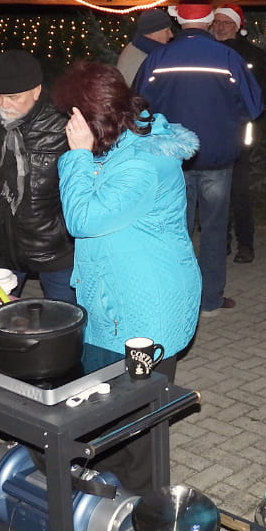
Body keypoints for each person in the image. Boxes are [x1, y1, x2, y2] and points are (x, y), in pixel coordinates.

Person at [51, 60, 200, 493]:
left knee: (139, 424)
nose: (66, 127)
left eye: (70, 117)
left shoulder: (144, 163)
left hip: (146, 309)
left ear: (91, 117)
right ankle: (110, 498)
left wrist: (78, 155)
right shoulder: (125, 139)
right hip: (118, 300)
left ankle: (144, 510)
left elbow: (83, 218)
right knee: (114, 412)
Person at [134, 0, 263, 314]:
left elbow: (137, 108)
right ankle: (210, 299)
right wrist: (226, 119)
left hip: (172, 160)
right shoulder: (228, 57)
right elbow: (253, 106)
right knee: (214, 231)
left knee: (175, 229)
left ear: (178, 18)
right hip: (217, 157)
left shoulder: (158, 58)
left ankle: (176, 299)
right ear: (208, 19)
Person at [0, 49, 75, 301]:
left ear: (36, 90)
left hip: (54, 247)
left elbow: (84, 173)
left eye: (13, 97)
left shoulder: (63, 119)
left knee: (64, 319)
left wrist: (64, 226)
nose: (4, 104)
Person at [211, 4, 266, 264]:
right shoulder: (208, 52)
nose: (220, 27)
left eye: (226, 23)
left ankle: (245, 243)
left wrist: (245, 102)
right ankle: (220, 243)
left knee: (239, 188)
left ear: (238, 26)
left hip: (241, 130)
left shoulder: (253, 55)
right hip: (212, 129)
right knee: (214, 189)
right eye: (217, 22)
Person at [116, 9, 173, 86]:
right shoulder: (142, 60)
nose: (171, 35)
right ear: (152, 33)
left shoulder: (142, 50)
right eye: (167, 31)